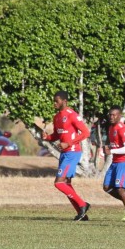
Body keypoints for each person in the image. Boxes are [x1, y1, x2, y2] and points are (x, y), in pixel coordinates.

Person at [41, 91, 91, 221]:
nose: (54, 103)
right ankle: (82, 213)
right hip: (65, 153)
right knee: (66, 184)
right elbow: (58, 135)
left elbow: (86, 132)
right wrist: (48, 137)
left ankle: (83, 205)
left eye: (56, 101)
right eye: (54, 101)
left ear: (64, 101)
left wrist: (68, 143)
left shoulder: (72, 115)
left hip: (72, 152)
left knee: (59, 183)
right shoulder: (57, 117)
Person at [102, 105, 125, 221]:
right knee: (107, 187)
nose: (111, 117)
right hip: (115, 162)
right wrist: (107, 148)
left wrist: (111, 150)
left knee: (120, 189)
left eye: (114, 115)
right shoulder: (111, 128)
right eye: (110, 115)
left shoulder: (122, 129)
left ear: (119, 116)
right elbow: (115, 145)